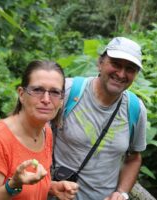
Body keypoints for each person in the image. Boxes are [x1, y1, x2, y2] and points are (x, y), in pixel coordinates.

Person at [52, 37, 147, 200]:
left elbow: (134, 158)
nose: (121, 74)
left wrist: (122, 193)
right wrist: (47, 185)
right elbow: (34, 136)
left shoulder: (135, 109)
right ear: (100, 63)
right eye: (116, 64)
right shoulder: (68, 91)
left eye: (130, 69)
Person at [0, 60, 79, 200]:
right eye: (37, 90)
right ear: (21, 94)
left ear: (62, 100)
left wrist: (52, 187)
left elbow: (31, 185)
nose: (46, 99)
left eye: (55, 92)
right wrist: (13, 186)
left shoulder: (45, 131)